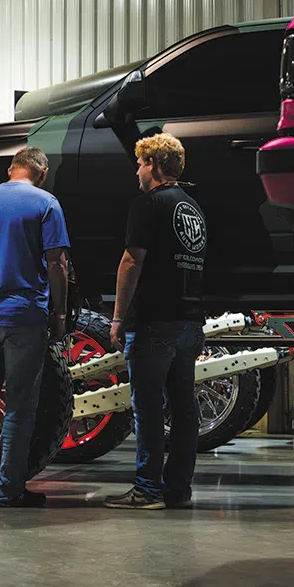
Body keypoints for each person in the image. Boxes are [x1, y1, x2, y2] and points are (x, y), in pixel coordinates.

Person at [0, 147, 70, 508]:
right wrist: (60, 312)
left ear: (11, 168)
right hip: (24, 315)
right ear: (43, 173)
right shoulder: (46, 204)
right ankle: (9, 490)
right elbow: (57, 264)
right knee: (19, 404)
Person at [104, 133, 207, 511]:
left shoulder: (148, 204)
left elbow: (132, 261)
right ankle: (178, 488)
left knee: (147, 409)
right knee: (183, 410)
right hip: (188, 322)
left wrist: (118, 316)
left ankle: (147, 489)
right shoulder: (192, 207)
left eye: (140, 164)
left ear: (155, 165)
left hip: (154, 322)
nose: (137, 171)